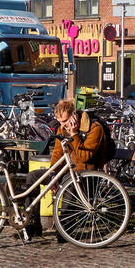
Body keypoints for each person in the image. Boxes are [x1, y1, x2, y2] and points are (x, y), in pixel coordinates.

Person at [23, 98, 109, 239]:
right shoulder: (62, 128)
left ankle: (64, 227)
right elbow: (57, 153)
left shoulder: (94, 128)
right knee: (32, 177)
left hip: (85, 172)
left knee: (69, 184)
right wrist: (53, 175)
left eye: (65, 121)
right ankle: (33, 223)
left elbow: (85, 158)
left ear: (74, 115)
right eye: (60, 122)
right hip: (67, 170)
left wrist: (74, 134)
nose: (62, 125)